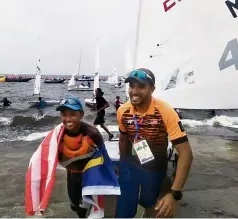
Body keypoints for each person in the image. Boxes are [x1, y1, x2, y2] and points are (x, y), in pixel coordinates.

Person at [115, 68, 193, 218]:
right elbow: (124, 137)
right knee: (124, 210)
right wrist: (122, 162)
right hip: (130, 164)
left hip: (155, 166)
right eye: (131, 86)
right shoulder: (122, 111)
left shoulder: (165, 111)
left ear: (152, 89)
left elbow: (186, 153)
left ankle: (148, 208)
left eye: (141, 86)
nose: (134, 91)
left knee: (151, 202)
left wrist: (174, 193)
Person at [55, 96, 111, 217]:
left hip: (89, 178)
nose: (68, 119)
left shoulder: (93, 133)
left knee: (89, 208)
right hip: (71, 176)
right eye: (64, 114)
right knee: (75, 206)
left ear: (81, 114)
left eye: (72, 114)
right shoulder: (58, 134)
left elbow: (105, 158)